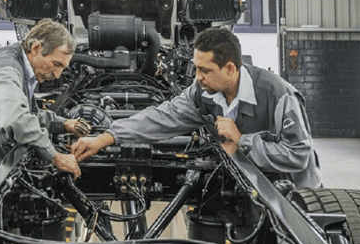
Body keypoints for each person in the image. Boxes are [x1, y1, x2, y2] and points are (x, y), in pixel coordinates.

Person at [72, 27, 321, 189]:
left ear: (231, 69)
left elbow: (299, 154)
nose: (198, 77)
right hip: (252, 187)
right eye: (196, 68)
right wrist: (106, 137)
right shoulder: (203, 92)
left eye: (205, 70)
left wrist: (242, 141)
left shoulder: (278, 95)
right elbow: (162, 117)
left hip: (296, 198)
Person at [0, 19, 86, 179]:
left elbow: (30, 113)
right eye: (56, 64)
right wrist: (56, 156)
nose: (57, 75)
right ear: (36, 48)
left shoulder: (21, 65)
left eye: (62, 68)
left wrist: (63, 123)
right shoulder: (6, 70)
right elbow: (16, 119)